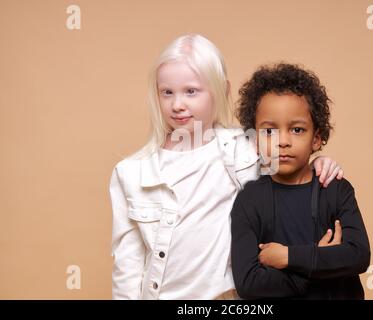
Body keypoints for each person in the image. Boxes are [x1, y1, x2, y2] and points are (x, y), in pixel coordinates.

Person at [109, 35, 344, 300]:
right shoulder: (131, 173)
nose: (177, 105)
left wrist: (318, 163)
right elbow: (127, 267)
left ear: (221, 89)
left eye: (191, 91)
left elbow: (291, 170)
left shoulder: (246, 149)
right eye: (167, 92)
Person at [231, 63, 370, 299]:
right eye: (269, 131)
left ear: (316, 139)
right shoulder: (249, 200)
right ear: (254, 141)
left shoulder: (335, 188)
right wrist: (319, 263)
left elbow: (357, 255)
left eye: (296, 130)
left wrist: (288, 257)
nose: (283, 141)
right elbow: (249, 283)